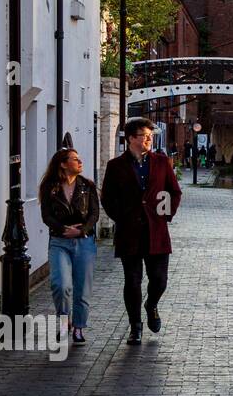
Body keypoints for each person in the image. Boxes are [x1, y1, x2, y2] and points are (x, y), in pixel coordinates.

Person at [101, 118, 182, 345]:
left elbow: (174, 192)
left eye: (150, 136)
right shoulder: (116, 166)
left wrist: (166, 214)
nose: (148, 140)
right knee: (132, 281)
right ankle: (135, 326)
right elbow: (107, 197)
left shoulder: (162, 162)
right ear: (130, 139)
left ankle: (152, 304)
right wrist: (123, 218)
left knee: (159, 280)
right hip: (130, 233)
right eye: (144, 136)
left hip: (157, 232)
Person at [38, 148, 99, 344]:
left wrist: (81, 231)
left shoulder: (87, 186)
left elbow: (94, 214)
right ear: (63, 164)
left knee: (82, 288)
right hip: (59, 241)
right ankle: (65, 323)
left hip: (84, 242)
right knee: (60, 285)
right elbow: (46, 215)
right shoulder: (50, 187)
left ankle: (79, 328)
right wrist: (63, 229)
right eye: (75, 159)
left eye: (80, 159)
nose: (80, 162)